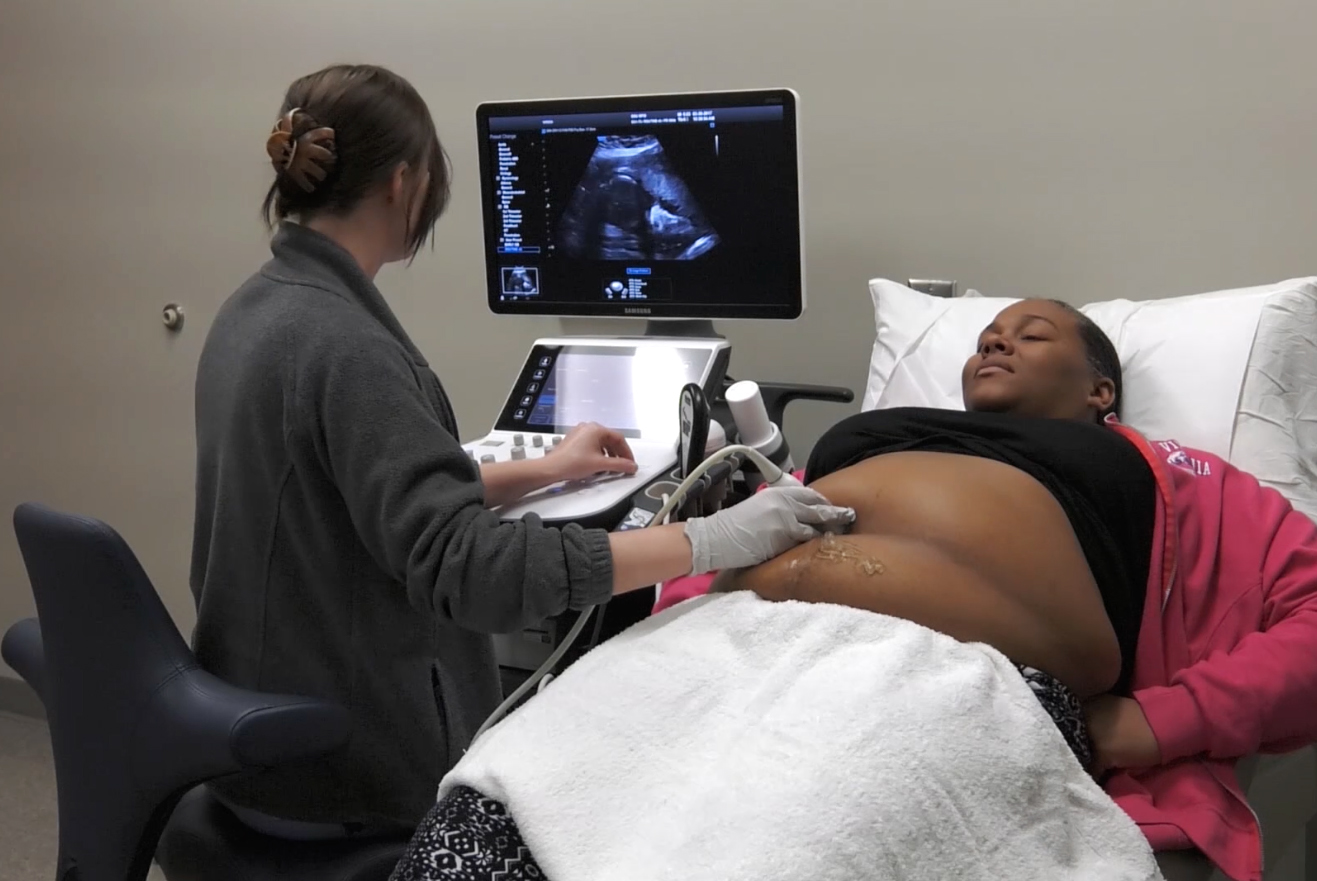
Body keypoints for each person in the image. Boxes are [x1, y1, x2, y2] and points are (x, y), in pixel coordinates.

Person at [189, 63, 853, 841]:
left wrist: (543, 469)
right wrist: (710, 538)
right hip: (347, 776)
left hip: (261, 739)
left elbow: (345, 493)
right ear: (404, 183)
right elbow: (473, 571)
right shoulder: (349, 349)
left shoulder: (255, 311)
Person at [641, 297, 1317, 881]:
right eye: (986, 338)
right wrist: (678, 630)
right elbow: (723, 546)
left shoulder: (1180, 475)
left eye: (1032, 335)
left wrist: (1162, 721)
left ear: (1099, 391)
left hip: (963, 692)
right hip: (739, 651)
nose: (995, 343)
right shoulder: (888, 432)